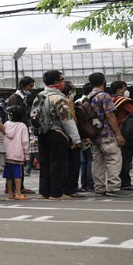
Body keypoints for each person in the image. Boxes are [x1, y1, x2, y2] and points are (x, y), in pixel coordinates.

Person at [35, 70, 81, 200]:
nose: (63, 82)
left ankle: (44, 192)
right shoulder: (59, 98)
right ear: (56, 82)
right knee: (58, 164)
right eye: (62, 79)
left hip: (42, 133)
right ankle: (56, 193)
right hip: (57, 133)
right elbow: (67, 120)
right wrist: (76, 139)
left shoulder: (39, 96)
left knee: (45, 164)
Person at [87, 73, 130, 197]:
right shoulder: (104, 96)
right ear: (103, 82)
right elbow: (110, 115)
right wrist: (118, 134)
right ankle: (113, 188)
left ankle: (99, 187)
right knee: (113, 160)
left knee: (97, 162)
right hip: (106, 133)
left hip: (93, 134)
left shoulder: (88, 97)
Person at [7, 76, 36, 194]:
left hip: (18, 132)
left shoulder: (21, 97)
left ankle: (16, 187)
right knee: (17, 162)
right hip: (17, 134)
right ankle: (17, 187)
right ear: (24, 86)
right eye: (30, 86)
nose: (32, 88)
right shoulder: (15, 98)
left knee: (16, 163)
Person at [110, 81, 133, 191]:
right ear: (119, 90)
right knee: (125, 158)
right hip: (124, 133)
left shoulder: (109, 100)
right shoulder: (124, 102)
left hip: (111, 132)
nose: (125, 91)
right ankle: (125, 182)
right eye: (124, 89)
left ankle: (117, 182)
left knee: (115, 160)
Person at [60, 82, 84, 198]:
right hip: (70, 137)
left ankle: (62, 188)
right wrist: (76, 139)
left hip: (60, 136)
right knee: (73, 164)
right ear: (70, 92)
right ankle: (70, 189)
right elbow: (71, 121)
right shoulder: (68, 102)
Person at [3, 105, 29, 200]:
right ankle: (18, 192)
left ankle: (10, 193)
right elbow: (25, 141)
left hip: (7, 153)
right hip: (18, 154)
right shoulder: (22, 126)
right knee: (18, 175)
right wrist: (26, 154)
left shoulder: (6, 124)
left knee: (9, 175)